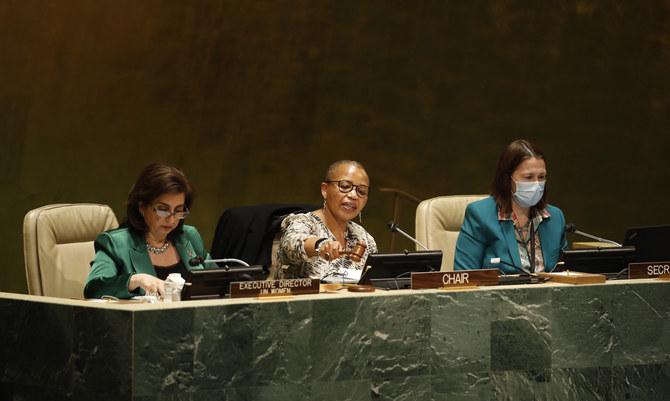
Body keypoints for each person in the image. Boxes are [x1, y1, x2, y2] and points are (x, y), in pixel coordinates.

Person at [84, 163, 211, 299]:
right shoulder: (115, 243)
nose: (171, 219)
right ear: (142, 207)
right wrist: (135, 280)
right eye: (163, 209)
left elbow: (219, 280)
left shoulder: (189, 237)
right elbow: (93, 289)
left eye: (178, 210)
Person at [454, 139, 567, 273]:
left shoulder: (555, 218)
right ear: (507, 179)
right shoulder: (480, 215)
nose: (536, 184)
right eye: (528, 177)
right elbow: (464, 276)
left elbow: (566, 272)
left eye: (541, 177)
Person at [276, 160, 378, 280]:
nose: (353, 195)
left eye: (361, 191)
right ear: (325, 190)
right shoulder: (302, 222)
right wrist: (321, 245)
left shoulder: (365, 239)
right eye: (345, 187)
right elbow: (292, 243)